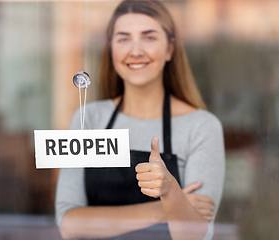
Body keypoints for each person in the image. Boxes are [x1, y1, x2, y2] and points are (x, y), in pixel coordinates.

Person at [55, 0, 225, 239]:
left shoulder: (202, 127)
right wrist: (164, 207)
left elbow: (197, 236)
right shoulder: (89, 119)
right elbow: (68, 224)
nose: (135, 50)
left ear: (170, 49)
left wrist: (169, 190)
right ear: (111, 49)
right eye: (123, 38)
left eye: (149, 37)